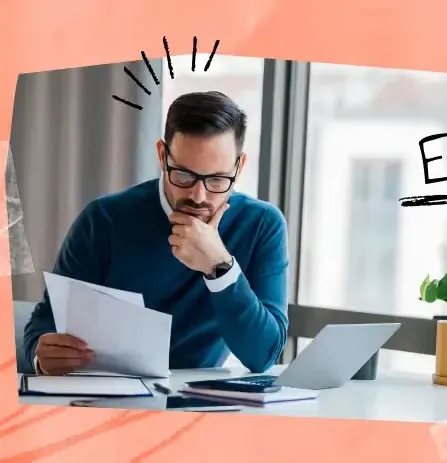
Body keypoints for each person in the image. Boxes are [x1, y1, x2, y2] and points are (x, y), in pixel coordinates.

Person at [23, 91, 289, 376]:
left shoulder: (261, 225)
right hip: (109, 396)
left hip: (198, 403)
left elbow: (263, 355)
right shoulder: (103, 220)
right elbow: (44, 324)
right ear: (162, 156)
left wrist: (220, 268)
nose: (199, 196)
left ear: (239, 166)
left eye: (217, 179)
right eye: (184, 176)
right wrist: (42, 357)